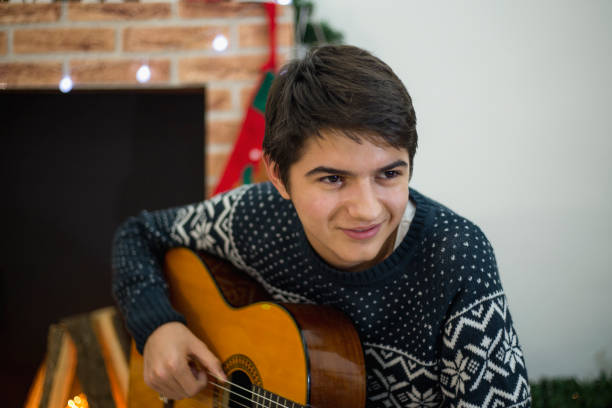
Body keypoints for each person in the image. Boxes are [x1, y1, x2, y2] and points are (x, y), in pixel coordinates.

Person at [112, 44, 531, 407]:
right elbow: (138, 235)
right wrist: (158, 327)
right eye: (333, 179)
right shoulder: (253, 219)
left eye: (389, 174)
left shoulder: (456, 257)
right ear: (278, 176)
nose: (366, 210)